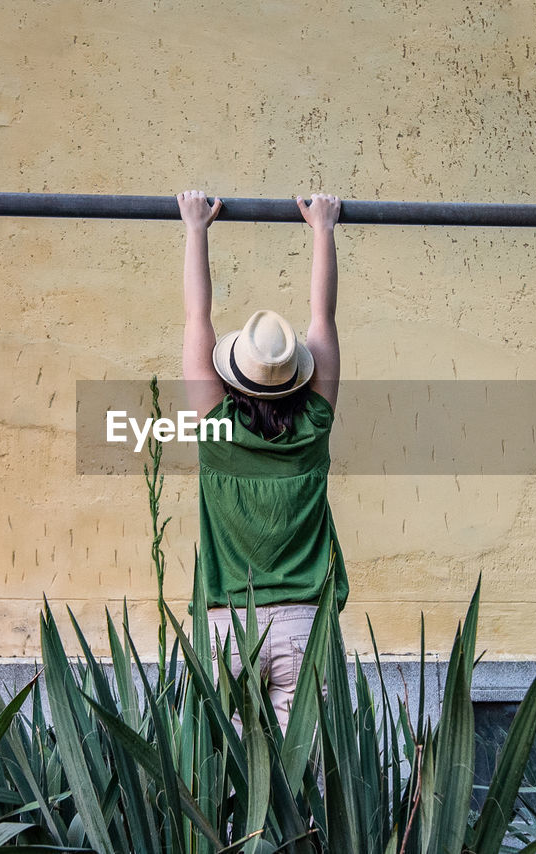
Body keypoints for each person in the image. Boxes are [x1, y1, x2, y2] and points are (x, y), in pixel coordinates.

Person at [177, 188, 348, 732]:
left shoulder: (215, 427)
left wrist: (196, 229)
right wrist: (322, 228)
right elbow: (323, 316)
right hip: (303, 625)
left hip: (228, 628)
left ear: (231, 377)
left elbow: (194, 316)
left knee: (220, 785)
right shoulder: (312, 428)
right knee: (305, 790)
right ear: (295, 375)